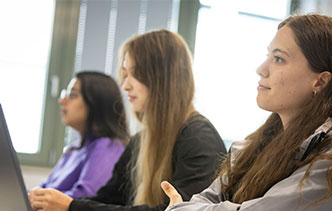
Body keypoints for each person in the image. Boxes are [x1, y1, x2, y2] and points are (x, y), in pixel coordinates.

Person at [162, 14, 332, 210]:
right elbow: (207, 199)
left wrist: (179, 208)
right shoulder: (258, 143)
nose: (261, 69)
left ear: (320, 81)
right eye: (268, 56)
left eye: (279, 59)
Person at [28, 29, 227, 211]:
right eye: (125, 74)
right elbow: (109, 199)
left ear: (161, 77)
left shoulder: (198, 138)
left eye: (134, 74)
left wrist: (72, 207)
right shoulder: (141, 140)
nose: (125, 85)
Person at [34, 71, 129, 198]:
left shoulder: (108, 147)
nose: (61, 100)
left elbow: (84, 199)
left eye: (72, 95)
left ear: (96, 103)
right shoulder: (75, 148)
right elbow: (44, 188)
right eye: (65, 94)